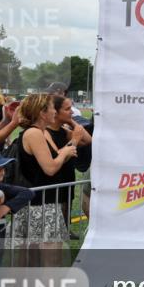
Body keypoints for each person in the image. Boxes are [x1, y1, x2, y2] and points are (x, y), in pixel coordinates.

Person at [12, 93, 77, 254]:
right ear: (42, 112)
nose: (54, 112)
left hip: (41, 202)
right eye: (51, 108)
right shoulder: (34, 133)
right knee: (50, 257)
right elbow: (50, 168)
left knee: (35, 257)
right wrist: (65, 152)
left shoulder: (37, 132)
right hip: (40, 204)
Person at [48, 94, 90, 235]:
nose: (72, 111)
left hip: (66, 181)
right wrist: (75, 139)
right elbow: (54, 158)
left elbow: (88, 140)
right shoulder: (45, 132)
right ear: (55, 111)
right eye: (67, 109)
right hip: (51, 187)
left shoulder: (62, 131)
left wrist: (72, 122)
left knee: (64, 223)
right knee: (52, 232)